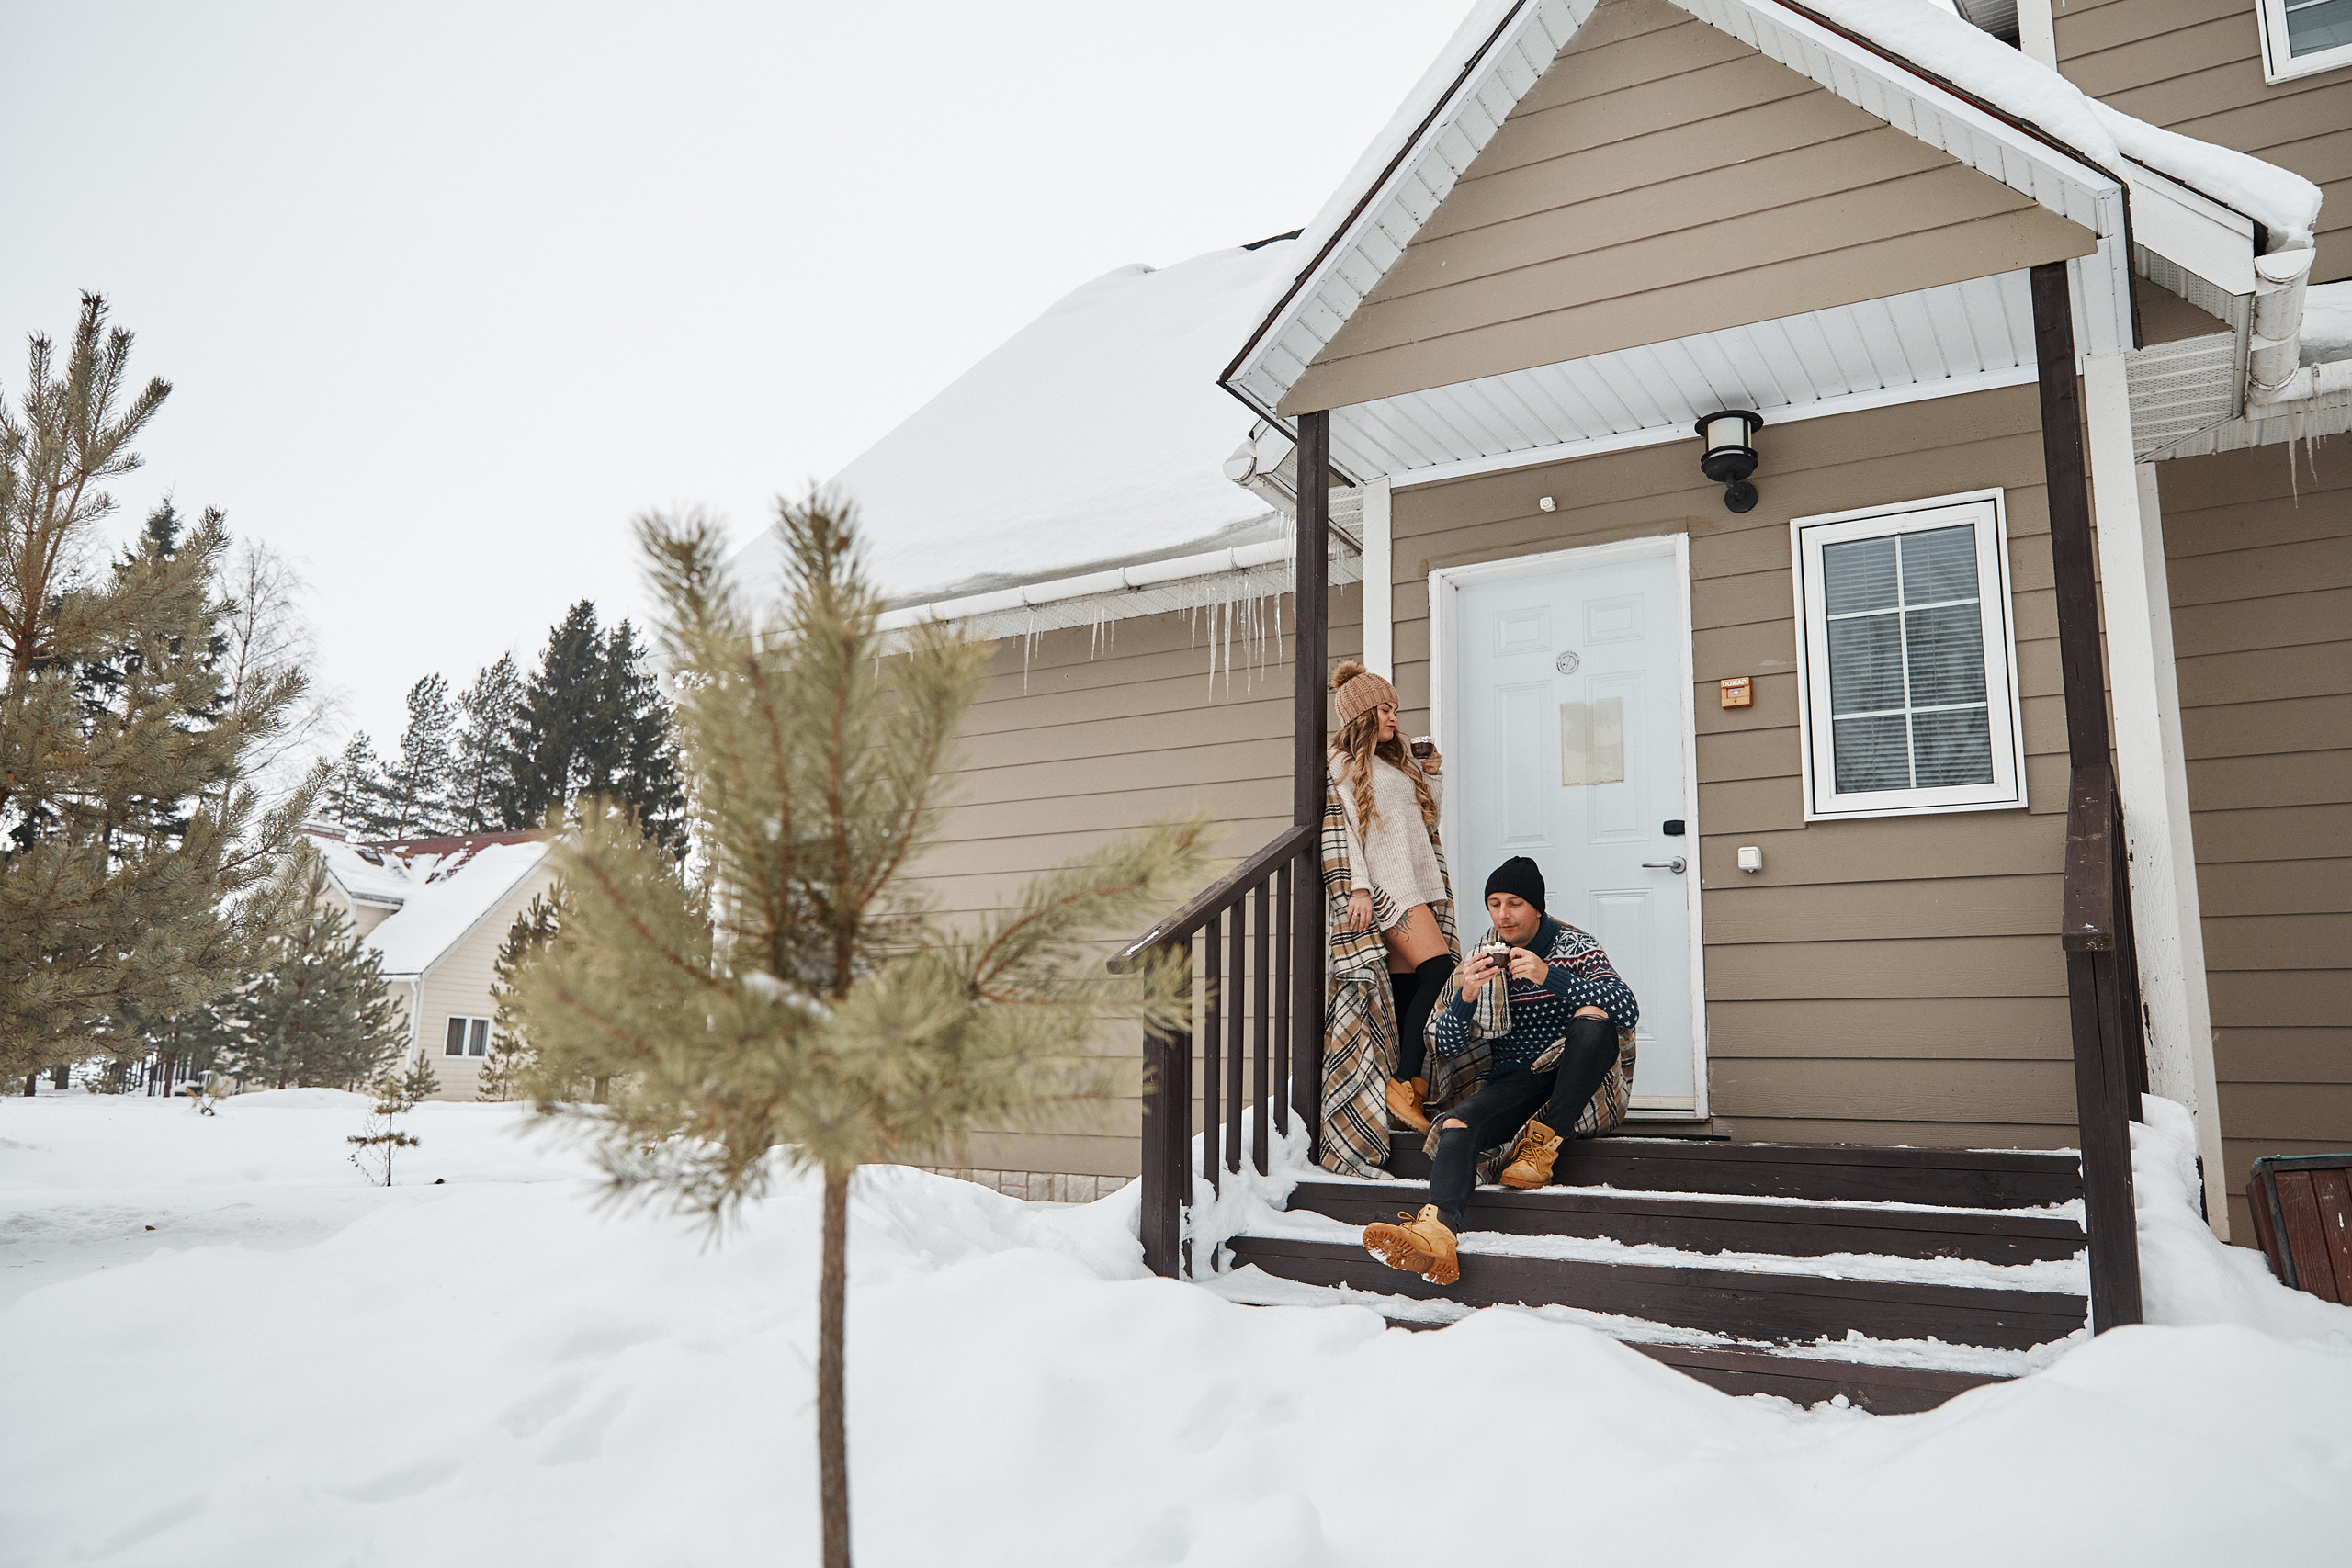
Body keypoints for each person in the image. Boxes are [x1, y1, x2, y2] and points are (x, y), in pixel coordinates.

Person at [1361, 855, 1639, 1284]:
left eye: (1515, 903)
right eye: (1494, 903)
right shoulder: (1480, 956)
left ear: (1537, 908)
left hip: (1576, 1079)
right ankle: (1436, 1234)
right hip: (1515, 1080)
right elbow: (1444, 1045)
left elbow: (1627, 1008)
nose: (1503, 915)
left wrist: (1551, 977)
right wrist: (1466, 995)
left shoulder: (1575, 947)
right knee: (1455, 1123)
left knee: (1593, 1018)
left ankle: (1542, 1146)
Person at [1324, 661, 1453, 1134]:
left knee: (1405, 992)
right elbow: (1341, 831)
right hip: (1389, 890)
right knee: (1440, 971)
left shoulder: (1391, 763)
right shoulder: (1340, 764)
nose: (1394, 718)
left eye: (1395, 709)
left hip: (1416, 883)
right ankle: (1404, 1083)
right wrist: (1359, 886)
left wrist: (1432, 775)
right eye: (1385, 708)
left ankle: (1400, 1091)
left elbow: (1427, 823)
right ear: (1361, 714)